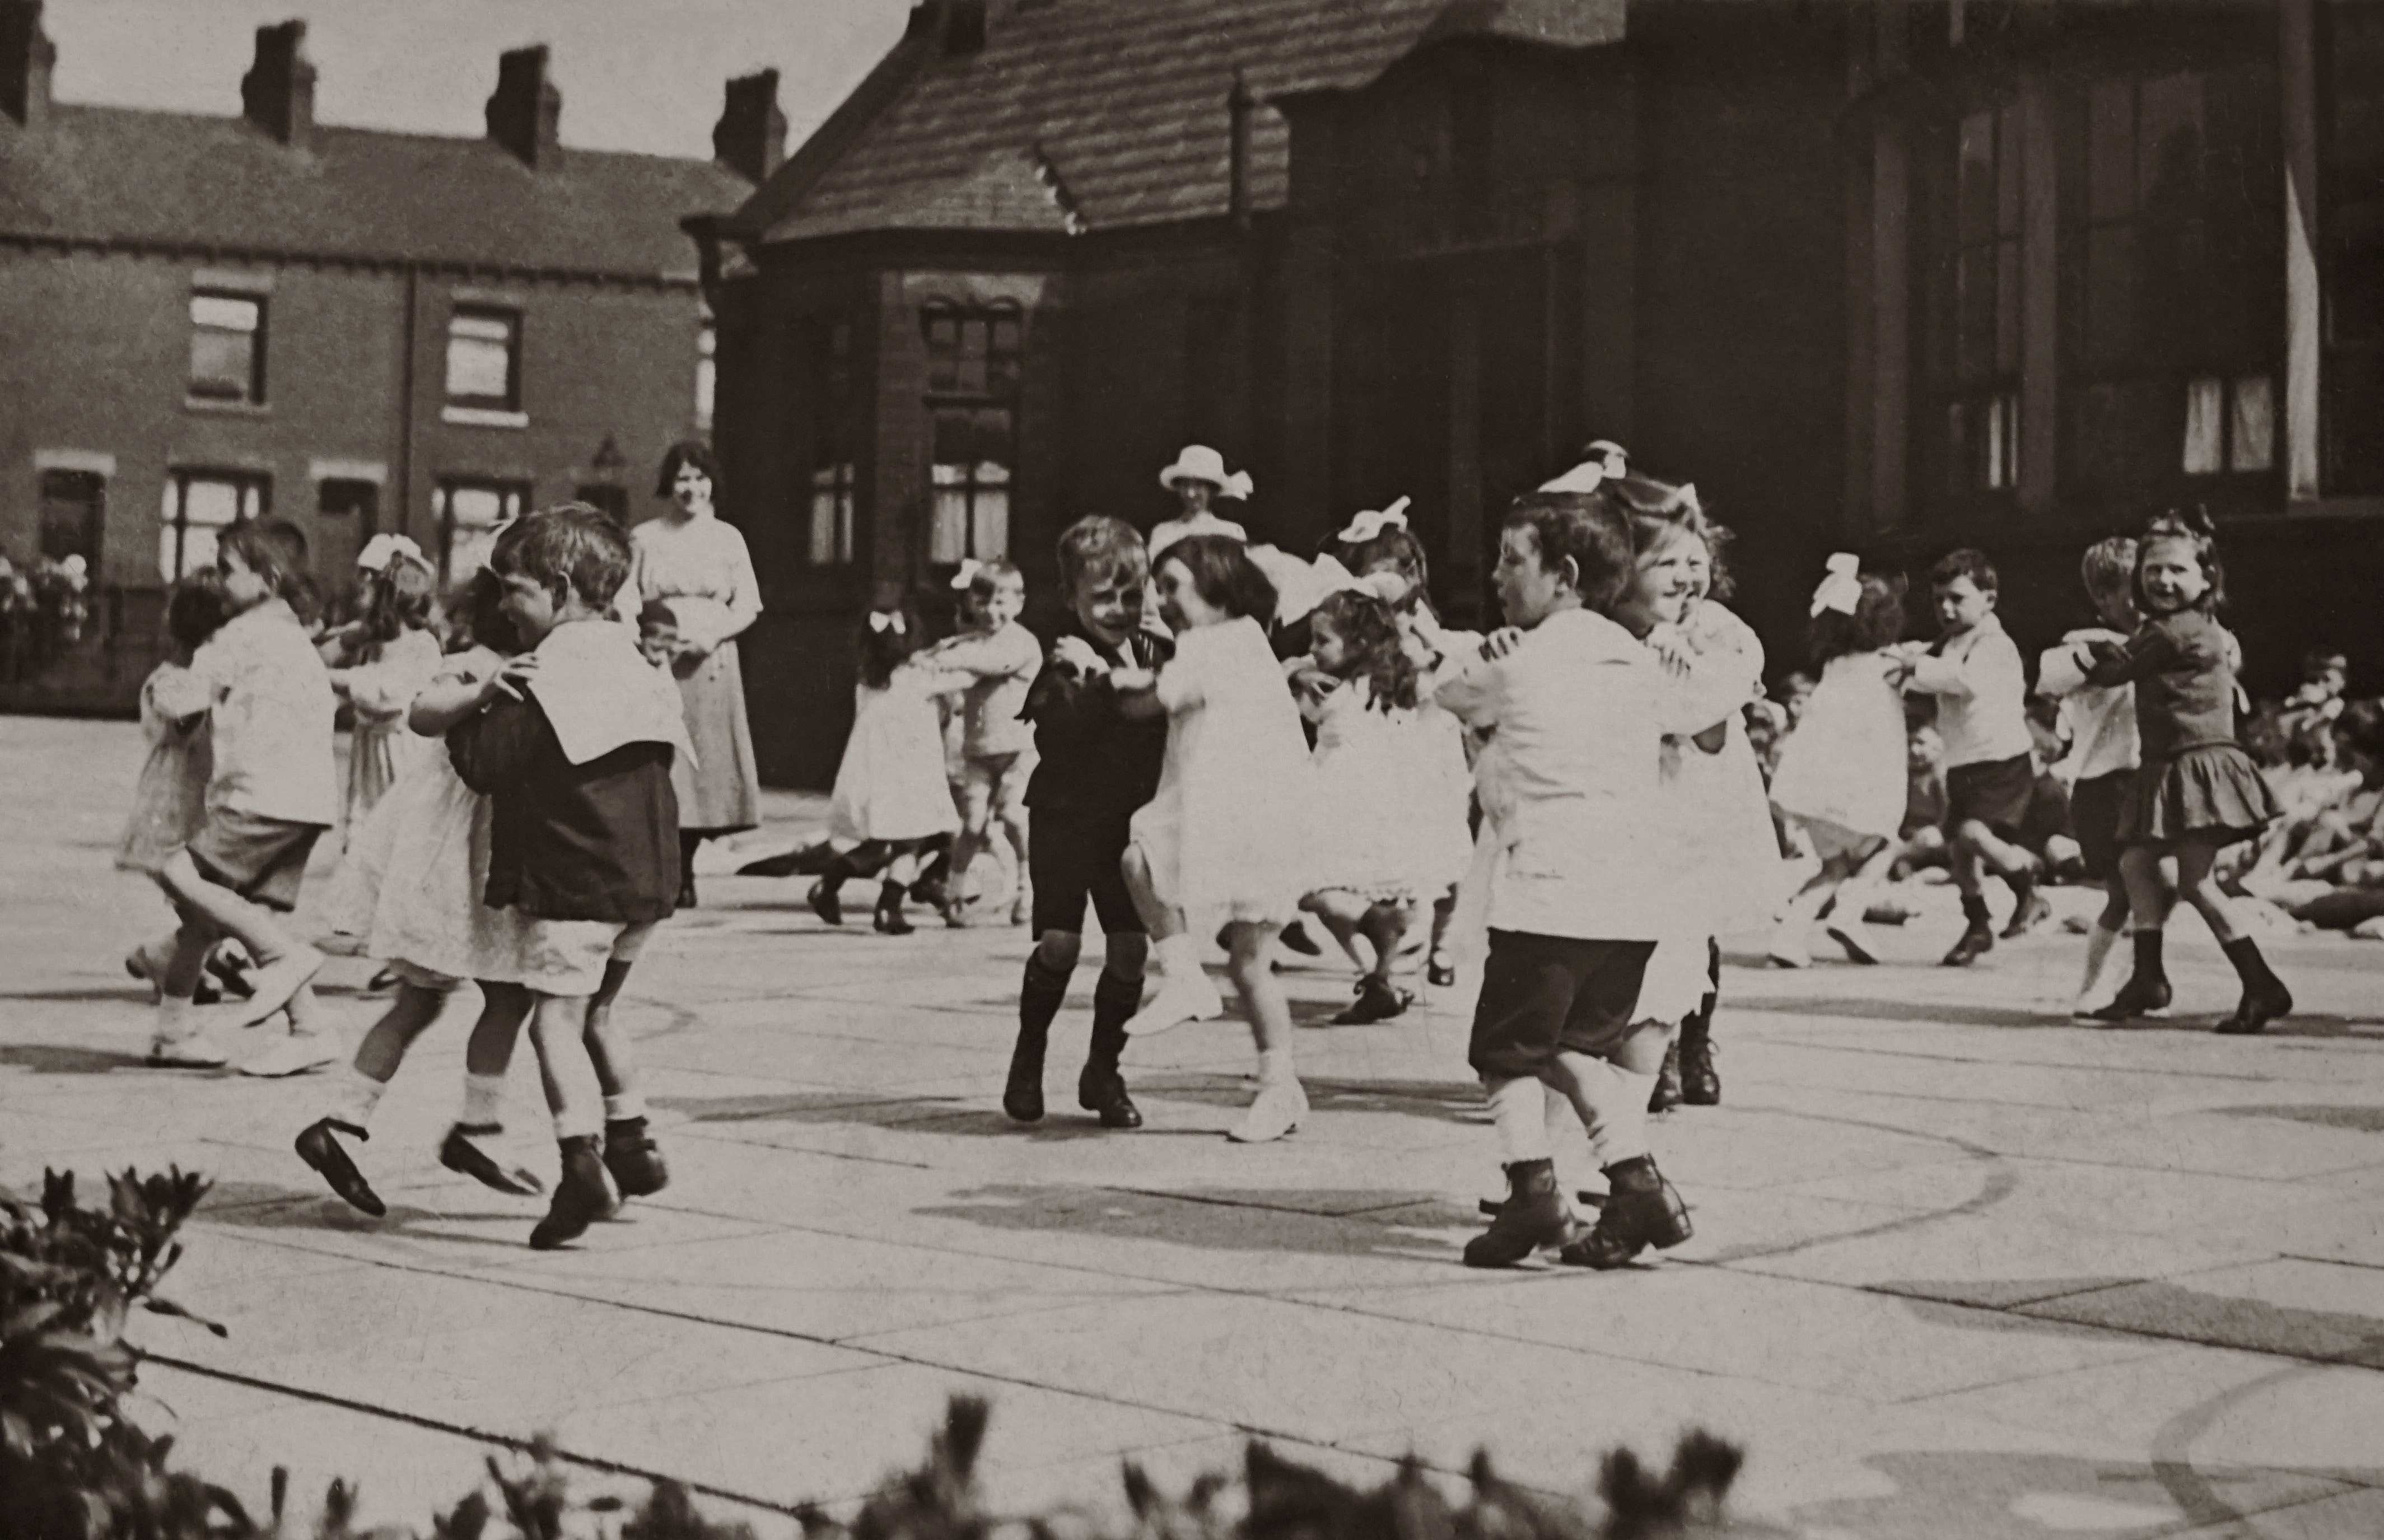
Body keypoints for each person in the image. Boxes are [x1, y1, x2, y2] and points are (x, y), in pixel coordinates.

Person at [1439, 484, 1693, 1271]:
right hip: (1629, 897)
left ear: (1565, 573)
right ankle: (1637, 1185)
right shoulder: (1640, 661)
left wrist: (1470, 661)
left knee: (1505, 1050)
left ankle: (1533, 1190)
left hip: (1548, 888)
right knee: (1576, 1047)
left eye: (1513, 560)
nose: (1497, 575)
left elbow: (1449, 693)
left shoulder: (1520, 664)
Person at [447, 505, 690, 1248]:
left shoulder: (541, 672)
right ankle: (633, 1137)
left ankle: (579, 1159)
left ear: (558, 587)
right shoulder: (634, 657)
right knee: (599, 1013)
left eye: (513, 590)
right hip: (645, 878)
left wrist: (473, 704)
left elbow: (488, 764)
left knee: (553, 1016)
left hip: (574, 877)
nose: (502, 608)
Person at [295, 560, 550, 1216]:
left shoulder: (545, 664)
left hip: (489, 847)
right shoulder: (476, 660)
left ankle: (345, 1120)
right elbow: (423, 712)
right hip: (453, 857)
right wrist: (485, 688)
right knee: (482, 991)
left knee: (455, 997)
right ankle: (472, 1126)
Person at [1112, 535, 1318, 1144]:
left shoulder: (1208, 645)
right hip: (1263, 811)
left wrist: (1104, 679)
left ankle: (1182, 975)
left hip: (1238, 812)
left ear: (1216, 583)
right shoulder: (1245, 638)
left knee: (1137, 857)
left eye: (1172, 585)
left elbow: (1145, 705)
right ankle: (1279, 1084)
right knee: (1250, 962)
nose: (1162, 599)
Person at [2082, 507, 2292, 1034]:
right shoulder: (2191, 628)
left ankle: (2261, 985)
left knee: (2197, 884)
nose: (2163, 580)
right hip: (2176, 766)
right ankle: (2148, 979)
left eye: (2177, 570)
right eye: (2153, 570)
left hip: (2194, 768)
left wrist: (2080, 657)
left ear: (2206, 579)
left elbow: (2116, 669)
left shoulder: (2173, 632)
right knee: (2135, 863)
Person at [147, 520, 341, 1075]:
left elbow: (185, 700)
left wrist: (163, 687)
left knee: (180, 876)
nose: (220, 581)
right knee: (204, 921)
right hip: (306, 799)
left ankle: (282, 959)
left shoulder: (242, 634)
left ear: (269, 576)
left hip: (261, 796)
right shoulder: (292, 634)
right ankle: (300, 1029)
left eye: (229, 570)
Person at [1004, 517, 1173, 1130]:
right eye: (1102, 597)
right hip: (1067, 817)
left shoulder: (1159, 650)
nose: (1119, 609)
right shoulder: (1064, 659)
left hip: (1128, 820)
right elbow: (1068, 727)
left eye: (1133, 595)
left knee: (1130, 950)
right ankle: (1030, 1052)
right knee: (1061, 943)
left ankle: (1104, 1068)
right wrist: (1100, 682)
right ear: (1071, 596)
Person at [1622, 496, 1779, 1112]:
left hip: (1706, 789)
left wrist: (1694, 666)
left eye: (1698, 561)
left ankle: (1695, 1045)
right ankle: (1650, 1051)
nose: (1689, 575)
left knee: (1698, 922)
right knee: (1651, 923)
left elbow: (1712, 729)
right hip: (1649, 790)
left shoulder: (1718, 627)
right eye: (1669, 562)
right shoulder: (1626, 629)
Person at [623, 441, 763, 908]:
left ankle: (686, 866)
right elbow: (626, 600)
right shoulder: (645, 537)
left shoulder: (728, 538)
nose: (691, 489)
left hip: (711, 660)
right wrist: (648, 643)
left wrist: (710, 637)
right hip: (659, 660)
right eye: (682, 479)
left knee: (706, 766)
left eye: (700, 478)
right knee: (665, 760)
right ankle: (667, 866)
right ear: (669, 483)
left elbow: (747, 604)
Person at [1895, 549, 2045, 965]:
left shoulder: (1994, 644)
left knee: (1972, 835)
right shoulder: (1950, 641)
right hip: (1963, 762)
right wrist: (1901, 662)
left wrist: (1914, 666)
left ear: (1989, 600)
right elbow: (1927, 664)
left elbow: (1963, 681)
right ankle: (1977, 924)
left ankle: (2027, 887)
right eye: (1938, 599)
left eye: (1957, 598)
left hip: (2001, 760)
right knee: (1961, 854)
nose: (1945, 608)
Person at [1766, 555, 1910, 969]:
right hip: (1856, 790)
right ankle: (1849, 912)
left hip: (1814, 789)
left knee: (1832, 865)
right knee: (1885, 844)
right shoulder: (1889, 665)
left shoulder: (1834, 666)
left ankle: (1789, 935)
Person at [1290, 587, 1427, 1024]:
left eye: (1322, 641)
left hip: (1337, 801)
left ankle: (1375, 935)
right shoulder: (1390, 680)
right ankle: (1378, 980)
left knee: (1305, 886)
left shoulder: (1330, 688)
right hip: (1382, 805)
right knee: (1352, 896)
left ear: (1358, 645)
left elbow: (1287, 690)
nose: (1312, 650)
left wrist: (1294, 674)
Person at [810, 604, 969, 934]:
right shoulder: (923, 679)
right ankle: (889, 908)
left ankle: (829, 884)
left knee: (881, 844)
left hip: (873, 776)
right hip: (911, 777)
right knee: (909, 845)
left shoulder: (867, 683)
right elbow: (965, 682)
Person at [2037, 537, 2144, 1015]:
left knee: (2152, 891)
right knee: (2123, 891)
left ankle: (2134, 980)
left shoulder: (2166, 638)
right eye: (2132, 590)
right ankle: (2093, 984)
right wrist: (2093, 653)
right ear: (2102, 598)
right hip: (2105, 785)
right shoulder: (2079, 644)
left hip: (2151, 782)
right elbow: (2049, 675)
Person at [119, 573, 236, 1005]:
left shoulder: (202, 676)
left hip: (209, 792)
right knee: (197, 893)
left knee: (213, 892)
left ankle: (179, 957)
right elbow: (183, 721)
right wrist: (216, 684)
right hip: (175, 799)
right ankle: (168, 960)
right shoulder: (169, 680)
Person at [926, 558, 1043, 926]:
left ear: (1019, 603)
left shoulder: (1021, 643)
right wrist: (936, 661)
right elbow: (951, 663)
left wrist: (945, 658)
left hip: (1018, 749)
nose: (992, 612)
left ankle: (1029, 888)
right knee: (973, 824)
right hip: (979, 752)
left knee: (1013, 815)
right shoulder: (971, 642)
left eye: (1001, 603)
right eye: (984, 603)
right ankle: (955, 891)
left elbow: (995, 663)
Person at [322, 535, 444, 845]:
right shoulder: (371, 640)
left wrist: (325, 676)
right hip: (370, 753)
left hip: (402, 753)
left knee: (399, 833)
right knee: (364, 834)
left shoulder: (421, 644)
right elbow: (324, 657)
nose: (360, 584)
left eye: (369, 579)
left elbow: (383, 694)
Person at [1150, 445, 1253, 557]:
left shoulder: (1231, 532)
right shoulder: (1162, 532)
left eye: (1199, 485)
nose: (1190, 493)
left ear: (1212, 489)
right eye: (1185, 485)